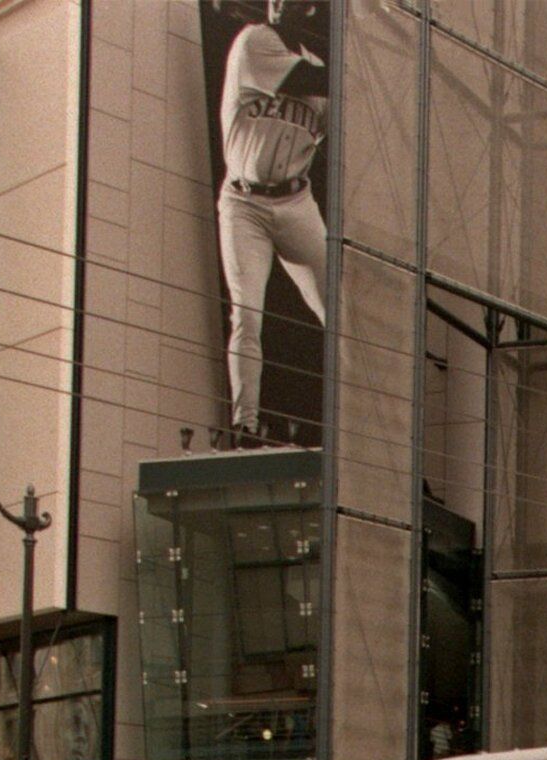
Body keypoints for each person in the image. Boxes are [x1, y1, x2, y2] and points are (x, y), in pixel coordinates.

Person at [215, 0, 327, 446]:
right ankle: (245, 425)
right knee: (247, 315)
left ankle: (358, 421)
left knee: (340, 315)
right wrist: (361, 72)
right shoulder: (253, 41)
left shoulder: (318, 64)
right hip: (244, 202)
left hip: (296, 201)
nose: (279, 5)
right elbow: (308, 80)